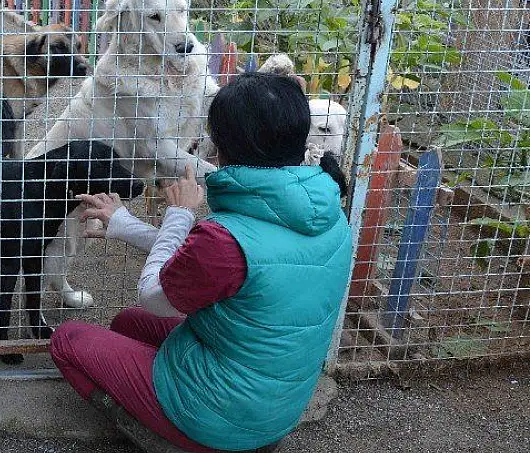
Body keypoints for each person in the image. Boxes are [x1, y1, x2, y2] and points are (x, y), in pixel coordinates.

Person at [50, 72, 352, 453]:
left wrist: (179, 214)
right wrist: (123, 224)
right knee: (126, 324)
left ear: (221, 147)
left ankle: (171, 440)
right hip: (276, 403)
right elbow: (207, 261)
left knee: (67, 340)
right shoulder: (329, 212)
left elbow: (154, 294)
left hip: (222, 415)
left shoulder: (225, 237)